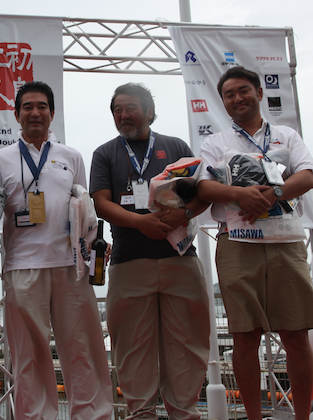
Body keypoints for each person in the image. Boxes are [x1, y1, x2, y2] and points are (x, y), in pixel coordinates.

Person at [196, 66, 313, 420]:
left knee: (296, 334)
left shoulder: (286, 135)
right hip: (237, 242)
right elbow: (204, 186)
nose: (237, 98)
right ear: (223, 102)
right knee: (244, 336)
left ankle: (302, 417)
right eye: (229, 94)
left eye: (243, 91)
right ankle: (253, 417)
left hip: (286, 241)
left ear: (259, 93)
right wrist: (240, 195)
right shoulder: (215, 142)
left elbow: (309, 175)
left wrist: (273, 194)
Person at [0, 81, 113, 420]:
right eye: (27, 107)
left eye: (42, 106)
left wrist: (93, 252)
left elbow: (85, 212)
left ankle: (92, 415)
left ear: (52, 113)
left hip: (72, 266)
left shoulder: (71, 156)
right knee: (29, 354)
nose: (35, 113)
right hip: (22, 267)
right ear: (17, 115)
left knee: (82, 348)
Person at [89, 82, 211, 420]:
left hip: (180, 260)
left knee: (187, 343)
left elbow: (202, 192)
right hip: (129, 263)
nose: (123, 115)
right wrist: (140, 223)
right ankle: (141, 413)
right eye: (117, 110)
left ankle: (184, 413)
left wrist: (183, 215)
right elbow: (100, 203)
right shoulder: (105, 153)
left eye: (131, 108)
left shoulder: (176, 146)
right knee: (131, 346)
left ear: (150, 112)